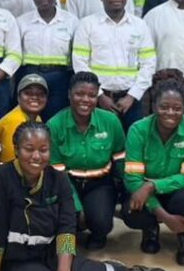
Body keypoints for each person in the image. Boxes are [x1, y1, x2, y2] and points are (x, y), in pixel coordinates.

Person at [0, 121, 172, 271]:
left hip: (52, 250)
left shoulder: (59, 179)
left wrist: (64, 270)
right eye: (29, 149)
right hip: (18, 258)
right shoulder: (0, 178)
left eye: (43, 150)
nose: (36, 156)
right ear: (16, 149)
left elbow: (66, 227)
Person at [121, 71, 184, 265]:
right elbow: (133, 181)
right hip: (144, 191)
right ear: (154, 106)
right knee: (122, 213)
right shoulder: (138, 130)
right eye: (164, 107)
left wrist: (152, 186)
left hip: (173, 189)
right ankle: (150, 229)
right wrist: (164, 217)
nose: (171, 113)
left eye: (177, 108)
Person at [48, 71, 126, 251]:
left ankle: (96, 232)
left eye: (91, 95)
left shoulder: (110, 120)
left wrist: (129, 191)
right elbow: (57, 173)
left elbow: (120, 159)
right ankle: (66, 248)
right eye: (79, 94)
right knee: (68, 218)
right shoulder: (54, 125)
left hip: (100, 183)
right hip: (66, 183)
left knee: (101, 222)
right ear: (69, 94)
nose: (85, 100)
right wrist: (76, 207)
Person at [73, 0, 156, 130]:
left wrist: (132, 96)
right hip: (99, 100)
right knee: (100, 142)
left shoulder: (139, 26)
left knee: (132, 141)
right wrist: (99, 95)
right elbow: (80, 64)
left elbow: (149, 64)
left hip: (132, 101)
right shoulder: (87, 25)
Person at [17, 0, 78, 119]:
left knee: (56, 119)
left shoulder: (71, 21)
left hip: (60, 77)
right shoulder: (22, 22)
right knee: (28, 119)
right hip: (30, 75)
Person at [0, 74, 48, 165]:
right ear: (18, 97)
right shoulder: (15, 121)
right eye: (28, 93)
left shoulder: (36, 117)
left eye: (40, 94)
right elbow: (9, 164)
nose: (34, 97)